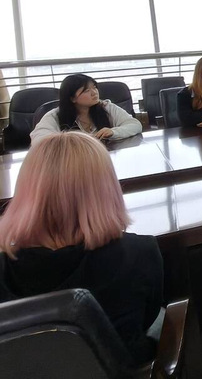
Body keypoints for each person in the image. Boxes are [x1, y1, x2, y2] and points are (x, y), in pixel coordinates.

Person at [0, 132, 163, 364]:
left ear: (27, 193)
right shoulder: (139, 253)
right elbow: (148, 316)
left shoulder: (5, 269)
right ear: (106, 189)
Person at [30, 74, 142, 144]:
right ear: (72, 98)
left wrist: (113, 132)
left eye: (94, 87)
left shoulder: (106, 107)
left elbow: (135, 124)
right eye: (87, 91)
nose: (94, 93)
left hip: (103, 158)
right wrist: (71, 140)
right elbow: (38, 139)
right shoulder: (55, 115)